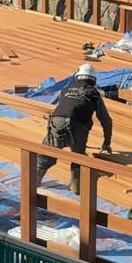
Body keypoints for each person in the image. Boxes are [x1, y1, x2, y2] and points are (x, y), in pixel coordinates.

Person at [36, 63, 113, 194]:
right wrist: (106, 143)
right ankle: (75, 187)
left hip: (56, 122)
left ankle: (33, 180)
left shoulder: (66, 89)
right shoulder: (94, 93)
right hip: (78, 127)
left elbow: (64, 106)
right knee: (78, 159)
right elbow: (106, 120)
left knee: (45, 155)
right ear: (93, 79)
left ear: (78, 76)